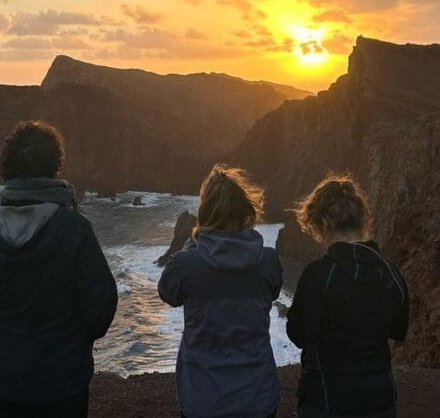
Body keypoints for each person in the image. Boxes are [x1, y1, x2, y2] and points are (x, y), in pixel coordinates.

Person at [0, 121, 118, 418]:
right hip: (63, 375)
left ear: (7, 167)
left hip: (4, 376)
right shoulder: (75, 229)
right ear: (55, 165)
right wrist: (77, 338)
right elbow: (102, 302)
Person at [158, 164, 282, 418]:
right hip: (257, 396)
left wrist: (192, 246)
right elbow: (274, 291)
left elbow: (168, 293)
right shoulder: (268, 260)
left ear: (205, 212)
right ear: (246, 212)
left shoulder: (185, 264)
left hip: (202, 399)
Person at [286, 175, 409, 418]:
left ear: (323, 222)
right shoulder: (390, 272)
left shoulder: (319, 274)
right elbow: (399, 329)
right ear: (362, 219)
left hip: (326, 400)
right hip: (379, 400)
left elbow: (299, 334)